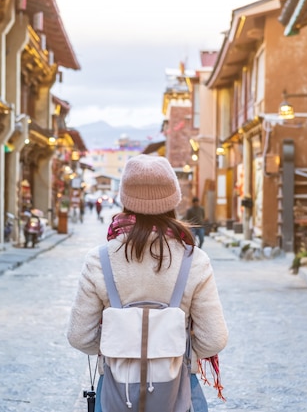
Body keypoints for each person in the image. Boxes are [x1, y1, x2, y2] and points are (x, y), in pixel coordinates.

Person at [67, 154, 228, 412]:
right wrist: (172, 348)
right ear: (173, 200)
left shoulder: (99, 260)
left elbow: (79, 336)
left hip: (116, 392)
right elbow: (214, 338)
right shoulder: (194, 260)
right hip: (179, 390)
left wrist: (121, 344)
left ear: (125, 200)